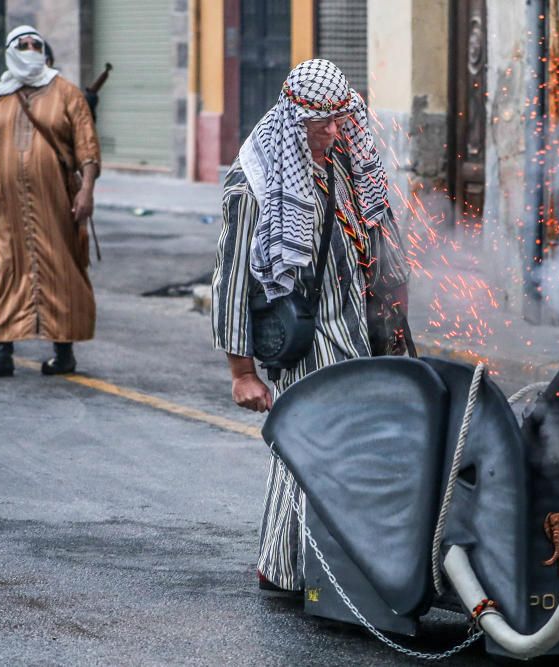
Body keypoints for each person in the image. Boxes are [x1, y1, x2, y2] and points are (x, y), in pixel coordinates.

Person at [211, 59, 411, 593]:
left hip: (362, 330)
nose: (331, 130)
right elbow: (230, 280)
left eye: (339, 118)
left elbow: (377, 233)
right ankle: (282, 567)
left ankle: (339, 571)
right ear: (293, 119)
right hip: (309, 340)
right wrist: (241, 373)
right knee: (307, 447)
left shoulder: (346, 158)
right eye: (319, 123)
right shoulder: (252, 181)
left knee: (355, 450)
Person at [0, 25, 100, 378]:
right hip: (8, 207)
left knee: (62, 271)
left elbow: (87, 147)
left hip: (58, 203)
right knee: (10, 271)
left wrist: (86, 191)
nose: (29, 47)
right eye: (22, 43)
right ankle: (2, 353)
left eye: (35, 43)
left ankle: (63, 354)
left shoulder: (67, 94)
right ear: (11, 50)